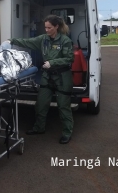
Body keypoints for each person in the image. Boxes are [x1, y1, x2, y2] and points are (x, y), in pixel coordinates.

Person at [8, 15, 74, 144]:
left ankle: (67, 132)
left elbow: (69, 58)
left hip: (62, 78)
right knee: (41, 104)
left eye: (49, 27)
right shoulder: (43, 39)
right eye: (45, 27)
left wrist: (53, 62)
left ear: (56, 27)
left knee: (63, 107)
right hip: (47, 76)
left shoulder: (65, 41)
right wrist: (11, 40)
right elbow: (28, 42)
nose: (47, 30)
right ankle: (39, 128)